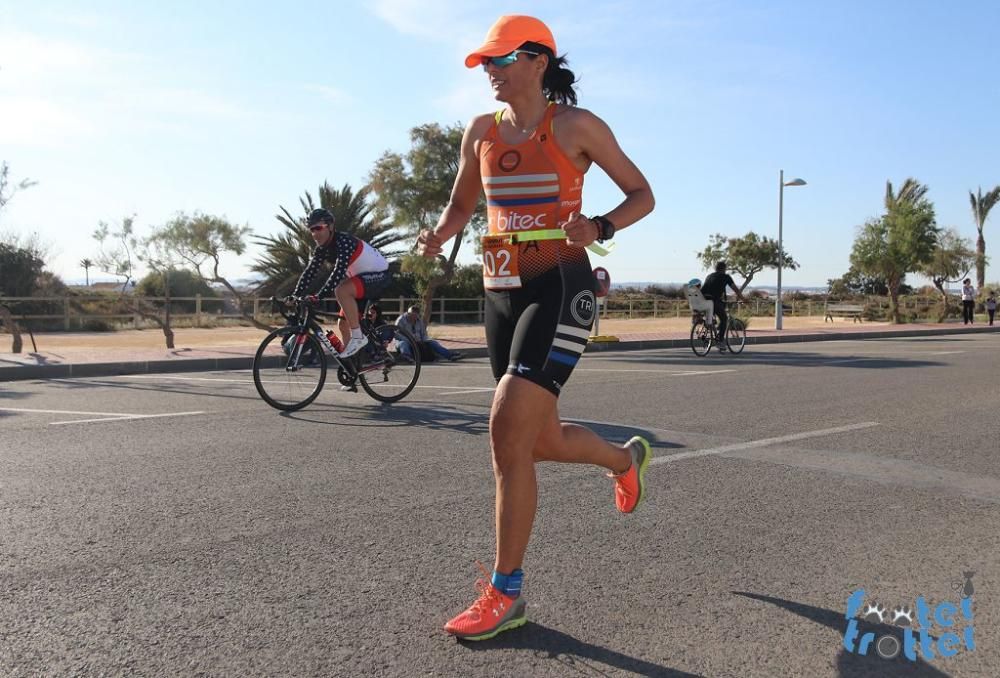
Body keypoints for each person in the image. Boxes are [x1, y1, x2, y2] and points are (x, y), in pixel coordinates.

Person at [416, 14, 655, 641]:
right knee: (534, 440)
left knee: (505, 431)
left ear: (537, 60)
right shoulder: (480, 131)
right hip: (499, 290)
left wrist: (600, 227)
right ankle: (622, 459)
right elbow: (464, 204)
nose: (490, 73)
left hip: (559, 285)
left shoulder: (575, 126)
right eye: (485, 64)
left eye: (500, 61)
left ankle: (506, 592)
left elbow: (641, 193)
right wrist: (439, 235)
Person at [290, 208, 390, 358]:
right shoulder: (322, 249)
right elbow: (310, 272)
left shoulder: (344, 241)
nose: (315, 233)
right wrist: (295, 295)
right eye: (312, 229)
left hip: (380, 275)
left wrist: (319, 296)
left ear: (330, 227)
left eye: (318, 228)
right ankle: (351, 367)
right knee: (342, 323)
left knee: (341, 290)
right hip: (361, 278)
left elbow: (338, 273)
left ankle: (358, 337)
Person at [700, 261, 745, 351]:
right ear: (724, 269)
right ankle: (720, 341)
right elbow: (735, 289)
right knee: (724, 318)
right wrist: (743, 299)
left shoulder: (709, 276)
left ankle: (707, 331)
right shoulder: (726, 277)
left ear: (716, 268)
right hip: (713, 301)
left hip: (703, 300)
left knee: (712, 317)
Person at [394, 306, 464, 362]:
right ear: (408, 313)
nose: (413, 317)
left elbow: (424, 334)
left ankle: (450, 355)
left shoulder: (419, 321)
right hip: (405, 341)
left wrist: (424, 340)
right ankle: (407, 357)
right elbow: (396, 334)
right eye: (411, 315)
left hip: (418, 342)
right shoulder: (401, 320)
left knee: (433, 342)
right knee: (403, 344)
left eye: (415, 315)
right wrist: (409, 339)